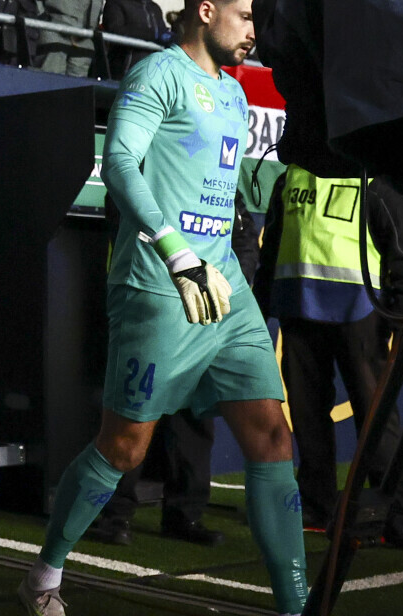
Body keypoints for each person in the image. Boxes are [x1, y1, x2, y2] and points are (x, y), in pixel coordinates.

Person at [19, 0, 307, 616]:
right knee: (125, 446)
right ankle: (43, 574)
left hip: (224, 281)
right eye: (246, 18)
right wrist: (176, 253)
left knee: (270, 437)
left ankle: (296, 604)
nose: (254, 34)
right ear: (206, 11)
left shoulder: (233, 92)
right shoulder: (158, 74)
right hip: (159, 280)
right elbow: (119, 162)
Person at [257, 167, 403, 547]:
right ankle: (316, 507)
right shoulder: (291, 178)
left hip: (359, 315)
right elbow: (273, 248)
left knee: (376, 418)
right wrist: (259, 306)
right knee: (307, 416)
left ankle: (394, 519)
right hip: (297, 309)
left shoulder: (374, 178)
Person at [91, 202, 264, 548]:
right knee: (133, 416)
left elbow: (244, 239)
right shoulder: (145, 169)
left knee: (194, 417)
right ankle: (111, 515)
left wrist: (222, 291)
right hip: (150, 307)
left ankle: (185, 515)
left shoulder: (219, 178)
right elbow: (125, 221)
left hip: (201, 313)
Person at [100, 0, 171, 79]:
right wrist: (151, 35)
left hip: (150, 71)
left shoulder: (154, 8)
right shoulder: (116, 2)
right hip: (124, 67)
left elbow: (161, 31)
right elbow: (115, 30)